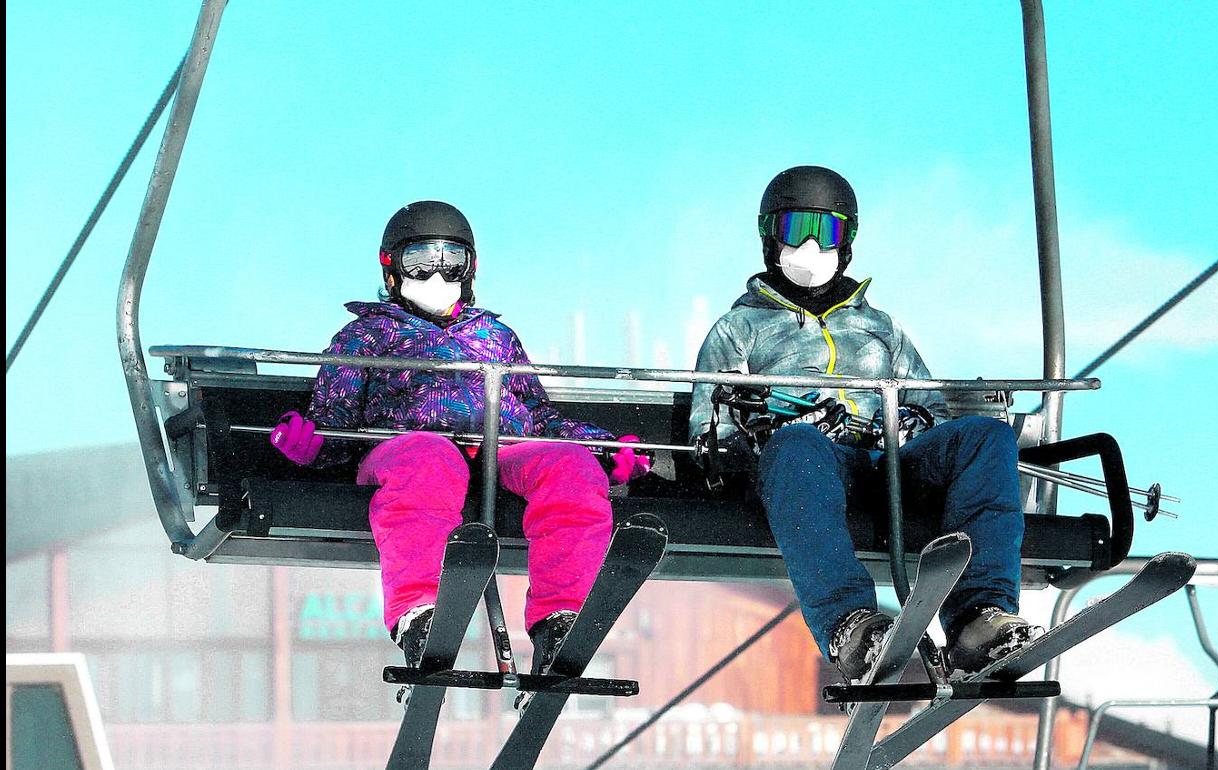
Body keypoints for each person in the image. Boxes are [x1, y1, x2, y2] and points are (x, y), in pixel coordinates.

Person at [271, 200, 650, 682]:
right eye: (421, 262)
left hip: (499, 447)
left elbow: (536, 414)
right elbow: (338, 417)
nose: (437, 275)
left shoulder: (494, 336)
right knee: (429, 461)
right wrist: (314, 445)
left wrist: (603, 449)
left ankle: (560, 620)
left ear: (471, 268)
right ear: (391, 268)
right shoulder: (366, 335)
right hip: (405, 448)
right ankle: (419, 615)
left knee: (570, 467)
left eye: (452, 261)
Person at [689, 166, 1038, 680]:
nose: (810, 247)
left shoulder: (880, 329)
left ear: (846, 242)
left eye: (824, 231)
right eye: (795, 229)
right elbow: (711, 428)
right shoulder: (740, 329)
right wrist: (772, 427)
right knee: (798, 446)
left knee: (986, 437)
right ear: (770, 239)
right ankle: (850, 626)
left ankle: (976, 621)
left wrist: (905, 427)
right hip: (806, 468)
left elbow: (930, 409)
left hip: (886, 463)